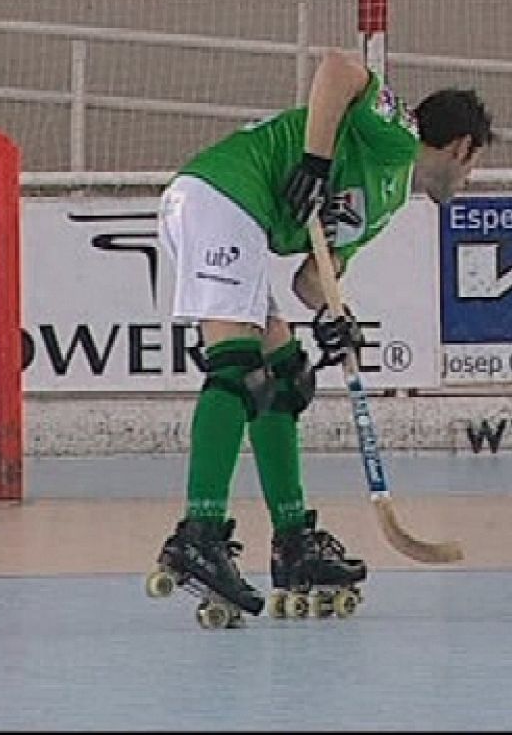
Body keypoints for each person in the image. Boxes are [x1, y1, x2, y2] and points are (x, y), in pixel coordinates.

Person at [153, 51, 494, 618]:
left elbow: (314, 278)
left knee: (284, 376)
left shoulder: (384, 202)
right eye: (472, 166)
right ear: (463, 148)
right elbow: (338, 68)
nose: (468, 178)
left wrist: (338, 319)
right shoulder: (398, 136)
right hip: (222, 198)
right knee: (237, 368)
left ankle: (294, 542)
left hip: (239, 218)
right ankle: (199, 533)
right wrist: (313, 163)